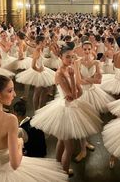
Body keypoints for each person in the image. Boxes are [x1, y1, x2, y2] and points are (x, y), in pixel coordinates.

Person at [31, 45, 102, 175]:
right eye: (67, 57)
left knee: (62, 142)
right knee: (70, 148)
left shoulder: (70, 69)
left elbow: (79, 92)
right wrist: (73, 81)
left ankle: (58, 168)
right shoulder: (59, 74)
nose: (70, 59)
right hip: (65, 109)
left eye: (72, 56)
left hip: (72, 106)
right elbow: (73, 95)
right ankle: (63, 172)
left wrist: (75, 87)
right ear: (61, 57)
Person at [73, 41, 114, 162]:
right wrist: (90, 79)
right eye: (84, 49)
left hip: (93, 92)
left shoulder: (96, 62)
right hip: (81, 93)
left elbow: (99, 81)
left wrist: (86, 79)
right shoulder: (77, 62)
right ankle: (82, 149)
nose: (86, 51)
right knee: (82, 120)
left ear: (92, 50)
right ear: (81, 49)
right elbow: (78, 82)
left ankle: (86, 142)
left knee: (90, 119)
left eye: (88, 49)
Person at [16, 35, 55, 110]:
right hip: (38, 72)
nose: (46, 42)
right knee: (37, 92)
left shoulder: (39, 49)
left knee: (45, 89)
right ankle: (36, 110)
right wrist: (39, 70)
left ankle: (40, 107)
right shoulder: (37, 51)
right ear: (40, 42)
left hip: (42, 70)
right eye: (44, 41)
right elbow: (33, 66)